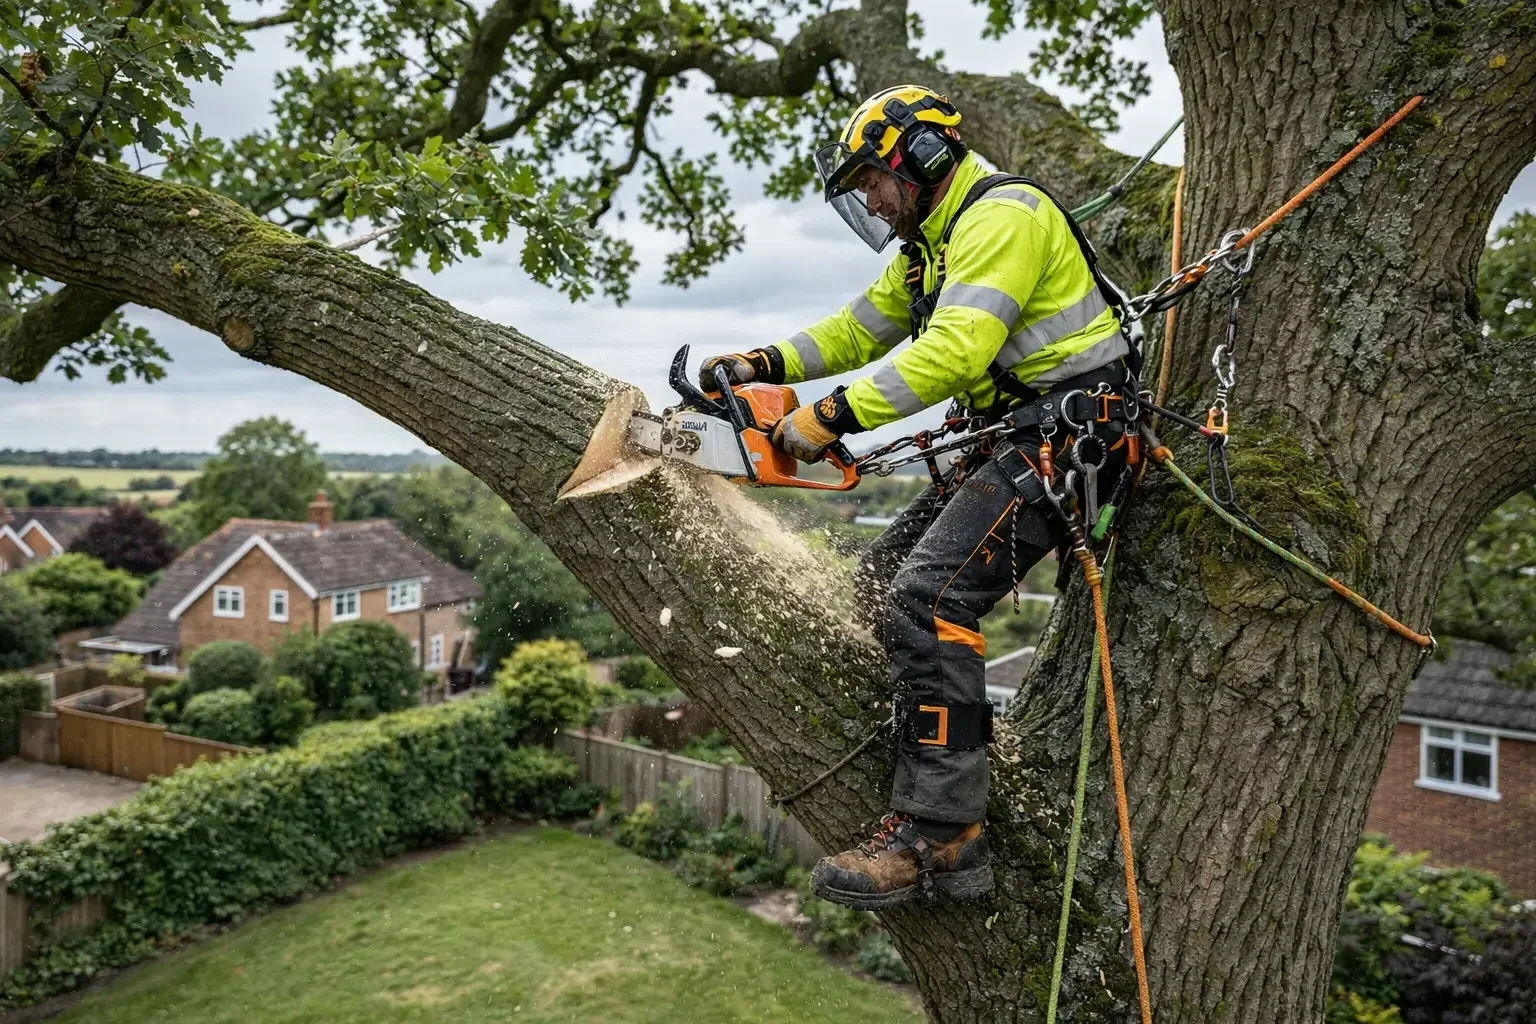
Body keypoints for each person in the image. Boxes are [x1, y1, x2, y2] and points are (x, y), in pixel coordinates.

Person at [699, 85, 1138, 909]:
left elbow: (956, 351)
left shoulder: (1001, 219)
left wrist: (827, 418)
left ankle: (943, 835)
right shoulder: (929, 247)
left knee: (928, 598)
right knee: (878, 584)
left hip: (1072, 435)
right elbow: (854, 329)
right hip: (1012, 436)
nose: (868, 199)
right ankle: (929, 757)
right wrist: (760, 365)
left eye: (872, 179)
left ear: (921, 156)